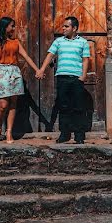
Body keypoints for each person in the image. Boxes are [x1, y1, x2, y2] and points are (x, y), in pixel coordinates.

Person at [36, 16, 91, 144]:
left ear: (74, 28)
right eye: (64, 26)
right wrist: (42, 69)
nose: (63, 28)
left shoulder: (83, 42)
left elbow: (85, 60)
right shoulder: (58, 41)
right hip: (62, 78)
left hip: (76, 79)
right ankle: (65, 134)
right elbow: (50, 55)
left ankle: (79, 135)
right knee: (64, 107)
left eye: (66, 26)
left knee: (78, 107)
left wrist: (83, 76)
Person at [0, 16, 39, 144]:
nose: (14, 28)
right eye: (12, 25)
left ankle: (9, 131)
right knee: (3, 104)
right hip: (1, 72)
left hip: (14, 72)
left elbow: (26, 56)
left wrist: (37, 70)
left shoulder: (16, 42)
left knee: (13, 104)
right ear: (5, 27)